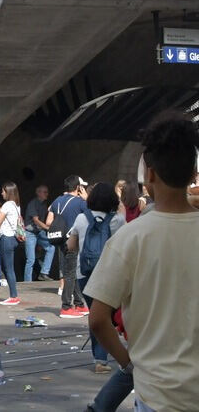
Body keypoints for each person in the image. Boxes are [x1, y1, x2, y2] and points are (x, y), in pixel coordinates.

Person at [86, 112, 199, 411]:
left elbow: (98, 319)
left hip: (157, 396)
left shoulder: (129, 238)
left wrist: (129, 364)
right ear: (193, 174)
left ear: (149, 174)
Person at [66, 182, 124, 375]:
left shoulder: (82, 219)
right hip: (110, 274)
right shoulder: (118, 221)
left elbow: (71, 246)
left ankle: (100, 359)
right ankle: (129, 352)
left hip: (85, 274)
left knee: (96, 314)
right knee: (112, 315)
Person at [47, 175, 90, 318]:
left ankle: (79, 304)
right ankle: (66, 306)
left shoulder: (57, 201)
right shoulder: (80, 202)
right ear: (78, 187)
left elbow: (48, 222)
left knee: (71, 271)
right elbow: (93, 216)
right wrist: (87, 198)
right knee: (71, 274)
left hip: (60, 239)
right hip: (73, 240)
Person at [0, 182, 23, 306]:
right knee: (9, 268)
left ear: (8, 192)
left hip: (7, 238)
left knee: (8, 268)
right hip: (14, 239)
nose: (1, 193)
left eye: (3, 191)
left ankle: (13, 296)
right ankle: (13, 295)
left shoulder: (6, 205)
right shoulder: (16, 205)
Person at [23, 184, 56, 282]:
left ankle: (44, 273)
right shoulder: (33, 203)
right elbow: (36, 220)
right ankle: (27, 282)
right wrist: (47, 228)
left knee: (51, 248)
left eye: (47, 192)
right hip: (30, 232)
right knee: (31, 259)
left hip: (39, 232)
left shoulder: (44, 204)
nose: (47, 194)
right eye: (45, 192)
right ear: (38, 193)